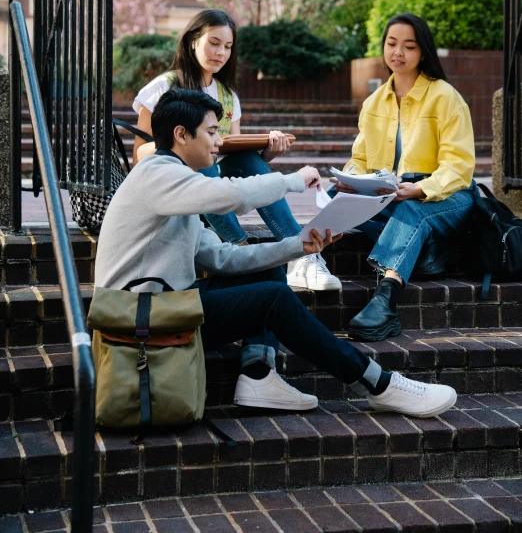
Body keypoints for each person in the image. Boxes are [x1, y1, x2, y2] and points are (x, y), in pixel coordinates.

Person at [95, 87, 457, 417]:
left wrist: (298, 245)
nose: (219, 141)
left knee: (267, 272)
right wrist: (292, 181)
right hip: (138, 319)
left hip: (166, 307)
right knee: (274, 298)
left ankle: (257, 376)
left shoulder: (177, 186)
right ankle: (377, 383)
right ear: (180, 134)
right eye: (210, 131)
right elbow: (232, 197)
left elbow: (224, 260)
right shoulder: (156, 174)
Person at [131, 8, 341, 291]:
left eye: (228, 47)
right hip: (175, 186)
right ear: (193, 41)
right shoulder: (164, 87)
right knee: (204, 161)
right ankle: (237, 244)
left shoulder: (228, 97)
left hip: (215, 187)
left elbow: (232, 152)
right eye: (214, 43)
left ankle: (304, 258)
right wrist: (188, 144)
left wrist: (267, 153)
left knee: (245, 159)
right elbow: (140, 153)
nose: (221, 52)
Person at [330, 13, 477, 342]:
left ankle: (386, 299)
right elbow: (360, 159)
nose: (398, 52)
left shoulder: (445, 96)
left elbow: (459, 166)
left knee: (413, 211)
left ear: (422, 52)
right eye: (391, 43)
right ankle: (424, 251)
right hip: (395, 191)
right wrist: (351, 180)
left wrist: (421, 189)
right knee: (332, 194)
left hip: (448, 195)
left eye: (409, 46)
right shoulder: (373, 102)